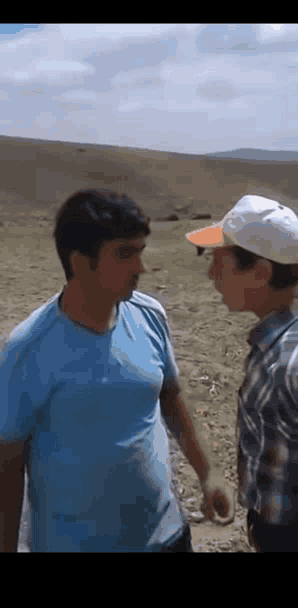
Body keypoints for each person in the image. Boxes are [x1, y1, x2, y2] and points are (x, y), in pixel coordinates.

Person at [0, 188, 234, 553]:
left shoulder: (149, 315)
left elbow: (170, 395)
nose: (141, 268)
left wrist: (209, 473)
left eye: (140, 252)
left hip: (167, 537)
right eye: (125, 254)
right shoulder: (27, 349)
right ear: (79, 262)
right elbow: (8, 465)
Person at [185, 194, 298, 552]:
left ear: (260, 273)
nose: (209, 273)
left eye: (219, 261)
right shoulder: (273, 346)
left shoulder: (289, 364)